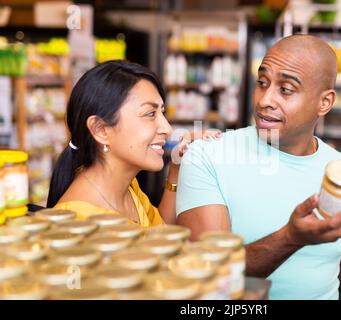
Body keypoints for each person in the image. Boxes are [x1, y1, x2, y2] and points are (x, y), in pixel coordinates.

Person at [176, 35, 341, 299]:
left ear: (325, 102)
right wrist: (291, 238)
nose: (264, 100)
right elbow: (210, 275)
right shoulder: (208, 156)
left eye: (285, 89)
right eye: (262, 83)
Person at [47, 60, 220, 227]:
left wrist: (176, 169)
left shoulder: (127, 187)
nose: (167, 128)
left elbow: (158, 234)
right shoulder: (76, 223)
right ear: (101, 130)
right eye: (150, 114)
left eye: (162, 112)